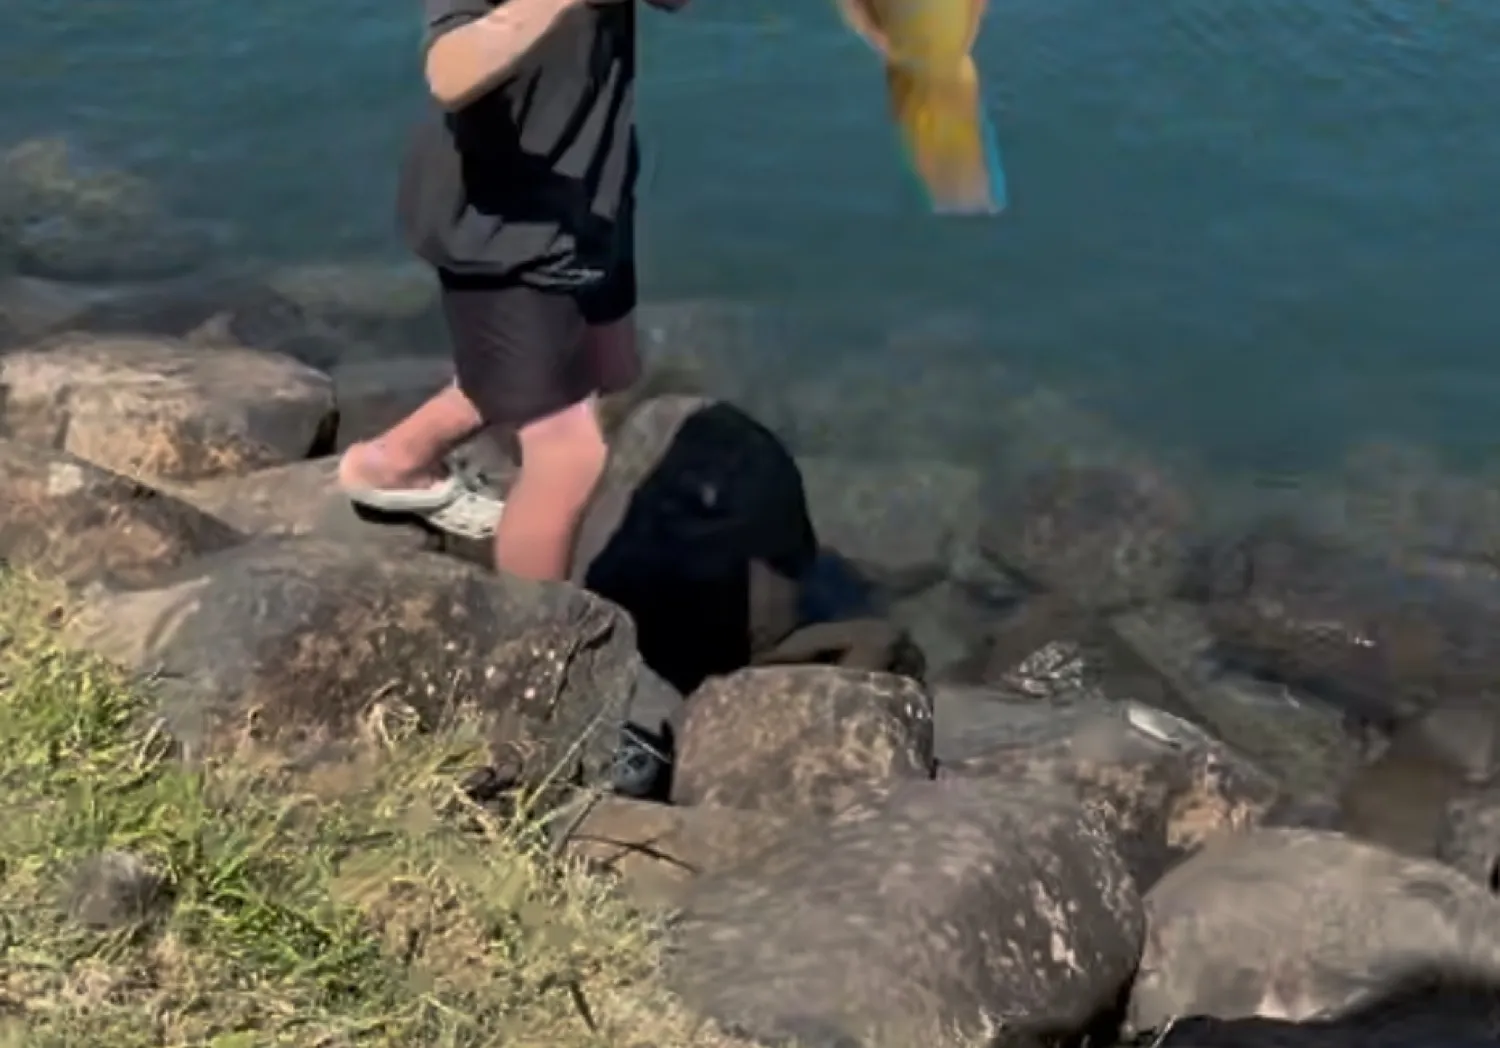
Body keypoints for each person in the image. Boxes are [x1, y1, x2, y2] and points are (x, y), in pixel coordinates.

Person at [338, 0, 689, 580]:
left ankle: (393, 462)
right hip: (504, 224)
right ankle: (533, 638)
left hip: (591, 201)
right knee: (570, 452)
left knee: (609, 366)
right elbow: (448, 72)